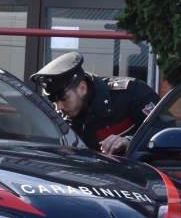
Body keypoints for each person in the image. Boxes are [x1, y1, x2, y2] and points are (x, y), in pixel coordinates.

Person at [30, 52, 159, 156]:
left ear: (82, 88)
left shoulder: (132, 93)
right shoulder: (61, 118)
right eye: (53, 101)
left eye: (64, 98)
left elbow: (165, 132)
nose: (59, 107)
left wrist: (129, 141)